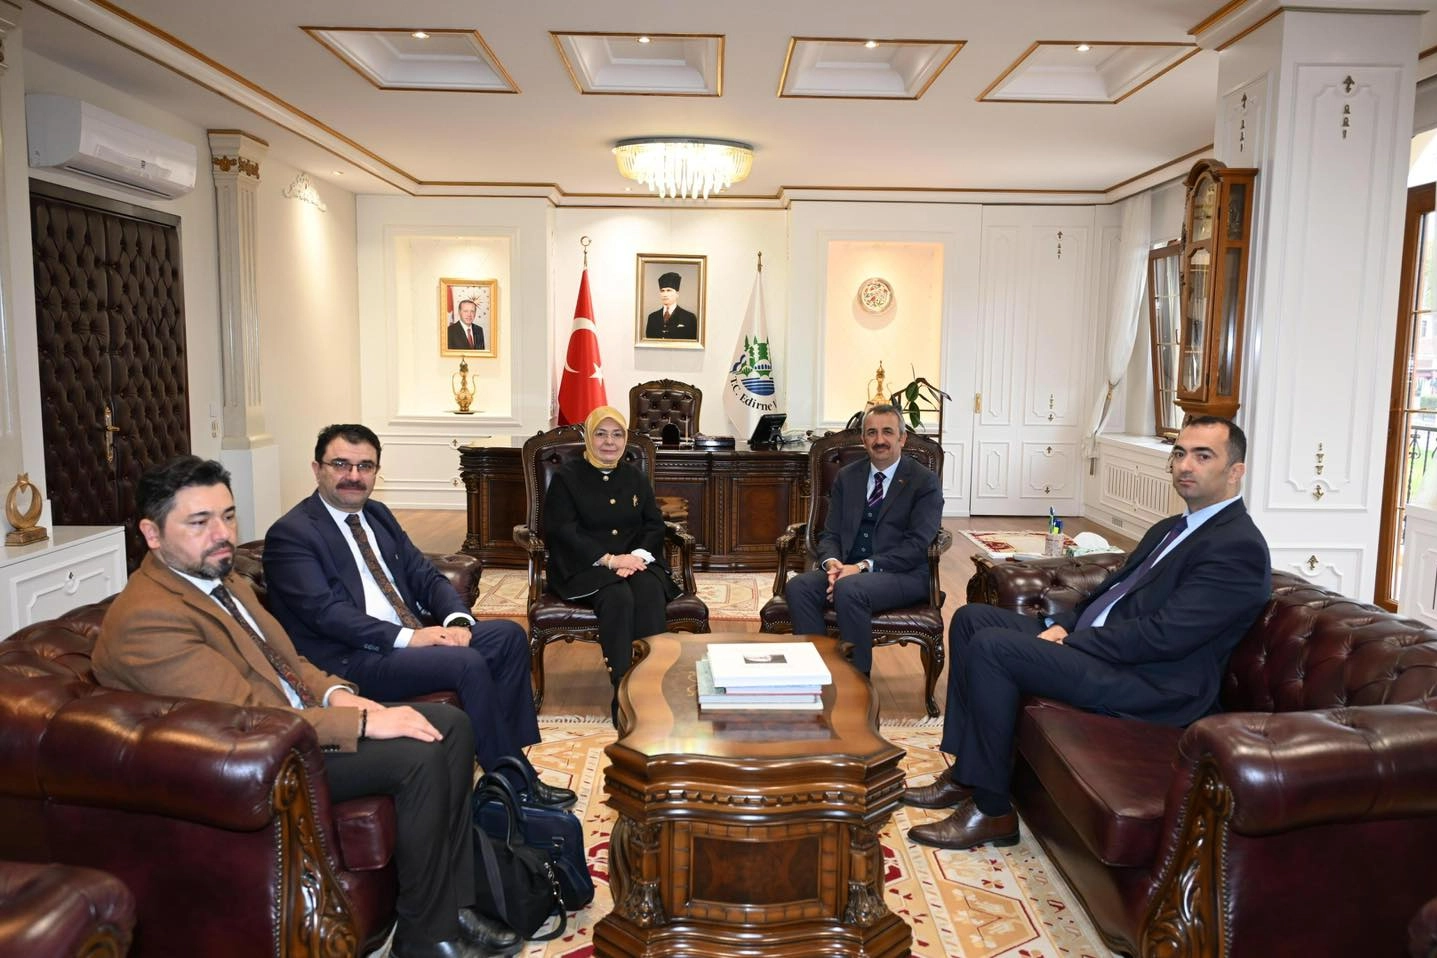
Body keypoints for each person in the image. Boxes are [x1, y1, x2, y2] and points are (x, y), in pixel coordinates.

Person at [92, 457, 520, 958]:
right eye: (199, 522)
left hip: (294, 721)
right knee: (418, 754)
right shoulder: (149, 619)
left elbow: (288, 660)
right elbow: (247, 718)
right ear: (153, 533)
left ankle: (453, 904)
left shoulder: (222, 579)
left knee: (450, 724)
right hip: (261, 756)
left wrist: (339, 693)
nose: (222, 534)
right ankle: (426, 938)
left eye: (227, 516)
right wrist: (365, 721)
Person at [904, 416, 1271, 850]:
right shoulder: (1172, 527)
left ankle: (992, 810)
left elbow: (1166, 636)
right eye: (1180, 453)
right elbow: (1114, 592)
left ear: (1235, 471)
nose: (1185, 465)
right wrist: (1065, 623)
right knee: (973, 620)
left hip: (1152, 681)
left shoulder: (1237, 547)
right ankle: (967, 774)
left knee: (993, 648)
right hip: (1107, 652)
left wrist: (1074, 641)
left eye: (1203, 456)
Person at [262, 424, 575, 810]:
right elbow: (326, 614)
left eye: (365, 466)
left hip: (404, 638)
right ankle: (513, 785)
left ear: (377, 472)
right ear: (317, 469)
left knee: (508, 636)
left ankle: (508, 760)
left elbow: (423, 575)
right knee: (465, 663)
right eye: (341, 464)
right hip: (352, 657)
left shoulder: (376, 515)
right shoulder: (292, 534)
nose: (354, 476)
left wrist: (457, 620)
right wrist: (412, 638)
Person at [783, 403, 943, 675]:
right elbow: (830, 533)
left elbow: (916, 546)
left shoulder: (923, 482)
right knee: (799, 587)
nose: (879, 440)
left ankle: (857, 682)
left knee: (850, 588)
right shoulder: (848, 477)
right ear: (863, 439)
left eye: (887, 432)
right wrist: (832, 564)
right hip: (847, 570)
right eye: (872, 433)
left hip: (903, 574)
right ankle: (817, 674)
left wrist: (861, 567)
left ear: (902, 438)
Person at [543, 405, 679, 725]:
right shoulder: (567, 477)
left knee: (649, 591)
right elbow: (563, 530)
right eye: (601, 434)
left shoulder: (634, 476)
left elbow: (653, 524)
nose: (609, 442)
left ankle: (651, 686)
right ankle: (622, 690)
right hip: (585, 565)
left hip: (634, 562)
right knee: (617, 596)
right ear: (589, 438)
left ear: (625, 439)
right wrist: (610, 560)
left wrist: (637, 557)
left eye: (617, 434)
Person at [643, 271, 698, 340]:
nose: (665, 294)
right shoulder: (652, 317)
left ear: (677, 294)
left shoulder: (689, 318)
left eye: (669, 290)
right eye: (662, 291)